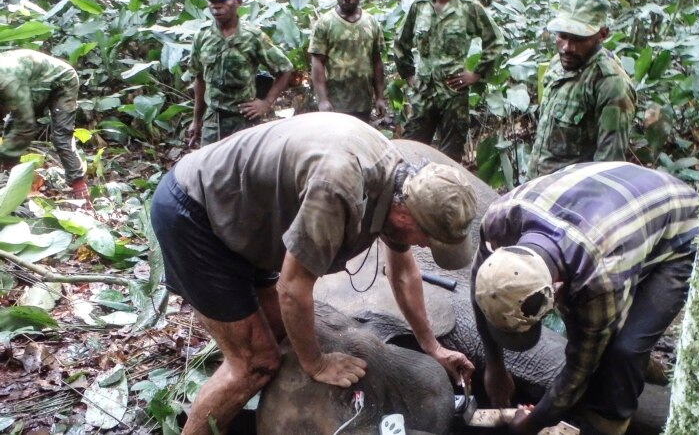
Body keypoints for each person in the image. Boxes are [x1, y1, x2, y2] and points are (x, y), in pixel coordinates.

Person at [151, 112, 477, 435]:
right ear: (407, 218)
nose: (422, 246)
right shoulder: (338, 189)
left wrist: (432, 346)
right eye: (427, 240)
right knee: (254, 363)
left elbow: (404, 274)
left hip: (249, 218)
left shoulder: (403, 183)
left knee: (282, 333)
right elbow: (292, 289)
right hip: (196, 216)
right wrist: (316, 364)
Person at [471, 162, 699, 435]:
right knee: (612, 335)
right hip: (619, 206)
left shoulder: (599, 279)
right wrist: (494, 366)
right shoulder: (499, 220)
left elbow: (580, 368)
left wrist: (532, 423)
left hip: (681, 231)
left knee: (625, 349)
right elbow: (479, 286)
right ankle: (645, 369)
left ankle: (612, 423)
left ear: (555, 289)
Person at [527, 0, 636, 179]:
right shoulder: (557, 64)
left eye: (579, 39)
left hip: (569, 199)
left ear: (602, 34)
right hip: (537, 186)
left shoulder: (611, 85)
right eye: (562, 36)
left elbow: (607, 169)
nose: (567, 47)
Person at [393, 0, 504, 161]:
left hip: (453, 94)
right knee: (411, 152)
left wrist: (476, 73)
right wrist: (409, 75)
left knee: (451, 157)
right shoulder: (419, 6)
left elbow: (496, 41)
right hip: (423, 94)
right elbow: (401, 41)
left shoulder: (469, 7)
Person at [187, 0, 294, 146]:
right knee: (209, 168)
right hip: (213, 120)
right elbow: (199, 79)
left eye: (222, 0)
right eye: (212, 1)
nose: (216, 6)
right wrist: (196, 121)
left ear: (237, 2)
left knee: (245, 168)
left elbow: (285, 69)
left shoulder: (252, 36)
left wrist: (265, 103)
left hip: (244, 120)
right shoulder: (202, 36)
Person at [0, 49, 88, 199]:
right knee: (11, 127)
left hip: (61, 79)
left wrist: (4, 155)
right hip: (31, 81)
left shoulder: (7, 82)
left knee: (61, 136)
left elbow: (25, 125)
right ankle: (9, 184)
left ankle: (80, 189)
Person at [308, 0, 386, 122]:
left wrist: (380, 97)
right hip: (335, 104)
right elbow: (317, 62)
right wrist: (323, 100)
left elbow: (377, 61)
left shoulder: (371, 22)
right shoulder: (325, 23)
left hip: (363, 102)